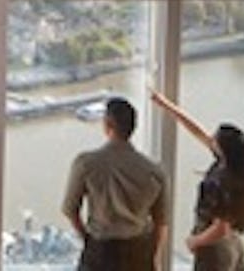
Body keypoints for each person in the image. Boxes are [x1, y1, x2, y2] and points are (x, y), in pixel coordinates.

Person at [149, 89, 244, 271]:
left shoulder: (221, 180)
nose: (211, 138)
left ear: (223, 148)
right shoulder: (237, 171)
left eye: (215, 138)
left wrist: (194, 241)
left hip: (214, 248)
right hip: (233, 244)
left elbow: (220, 226)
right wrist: (166, 105)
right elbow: (197, 130)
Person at [61, 97, 167, 271]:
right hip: (138, 252)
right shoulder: (154, 171)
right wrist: (154, 259)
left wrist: (87, 238)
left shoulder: (86, 163)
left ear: (107, 124)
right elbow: (161, 222)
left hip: (100, 251)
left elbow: (69, 209)